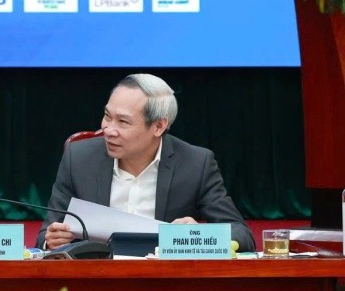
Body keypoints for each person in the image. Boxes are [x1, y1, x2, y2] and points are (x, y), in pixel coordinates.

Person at [38, 73, 255, 252]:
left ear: (158, 126)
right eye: (107, 116)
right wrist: (52, 240)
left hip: (166, 281)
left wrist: (199, 234)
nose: (108, 130)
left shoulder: (196, 164)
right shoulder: (79, 158)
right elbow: (44, 237)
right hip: (97, 279)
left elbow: (242, 234)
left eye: (123, 122)